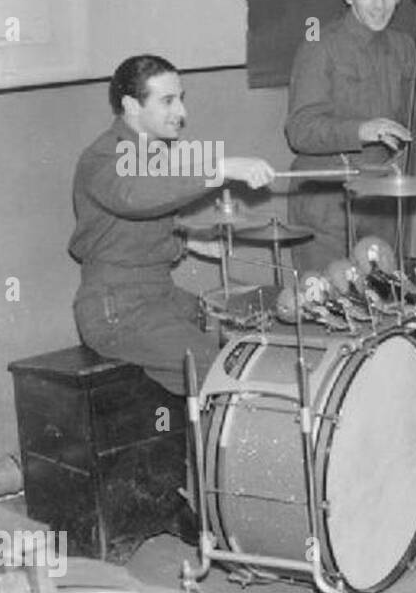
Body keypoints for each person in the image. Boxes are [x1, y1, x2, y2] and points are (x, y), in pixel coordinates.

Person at [70, 54, 276, 394]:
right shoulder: (102, 156)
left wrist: (189, 240)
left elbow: (135, 228)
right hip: (116, 307)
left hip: (160, 294)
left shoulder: (153, 155)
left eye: (181, 99)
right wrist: (220, 167)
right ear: (131, 105)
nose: (182, 112)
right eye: (168, 101)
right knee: (222, 366)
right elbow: (135, 197)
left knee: (241, 337)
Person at [284, 0, 416, 273]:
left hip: (382, 201)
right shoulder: (319, 45)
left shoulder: (404, 46)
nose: (379, 4)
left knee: (385, 303)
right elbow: (299, 130)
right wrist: (361, 130)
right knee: (330, 306)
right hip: (327, 202)